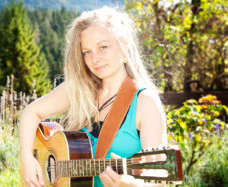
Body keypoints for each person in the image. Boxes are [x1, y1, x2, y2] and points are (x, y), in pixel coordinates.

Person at [19, 6, 167, 187]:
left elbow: (159, 177)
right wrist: (26, 156)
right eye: (87, 52)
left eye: (103, 47)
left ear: (124, 44)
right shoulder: (81, 89)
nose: (94, 58)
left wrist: (132, 185)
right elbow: (31, 112)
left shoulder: (145, 102)